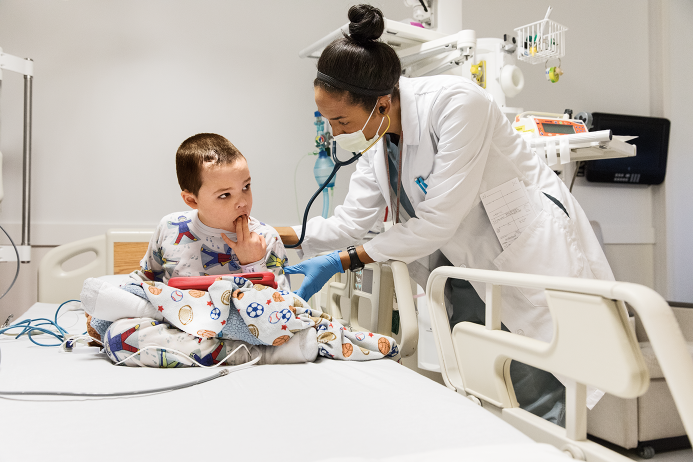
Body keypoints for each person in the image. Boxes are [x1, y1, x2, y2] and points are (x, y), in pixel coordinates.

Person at [277, 4, 614, 426]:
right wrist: (270, 234)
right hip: (464, 268)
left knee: (536, 387)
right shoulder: (379, 140)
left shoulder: (458, 103)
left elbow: (437, 221)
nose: (335, 133)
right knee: (485, 387)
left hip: (520, 256)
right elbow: (350, 222)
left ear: (381, 104)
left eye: (341, 120)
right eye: (329, 121)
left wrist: (341, 260)